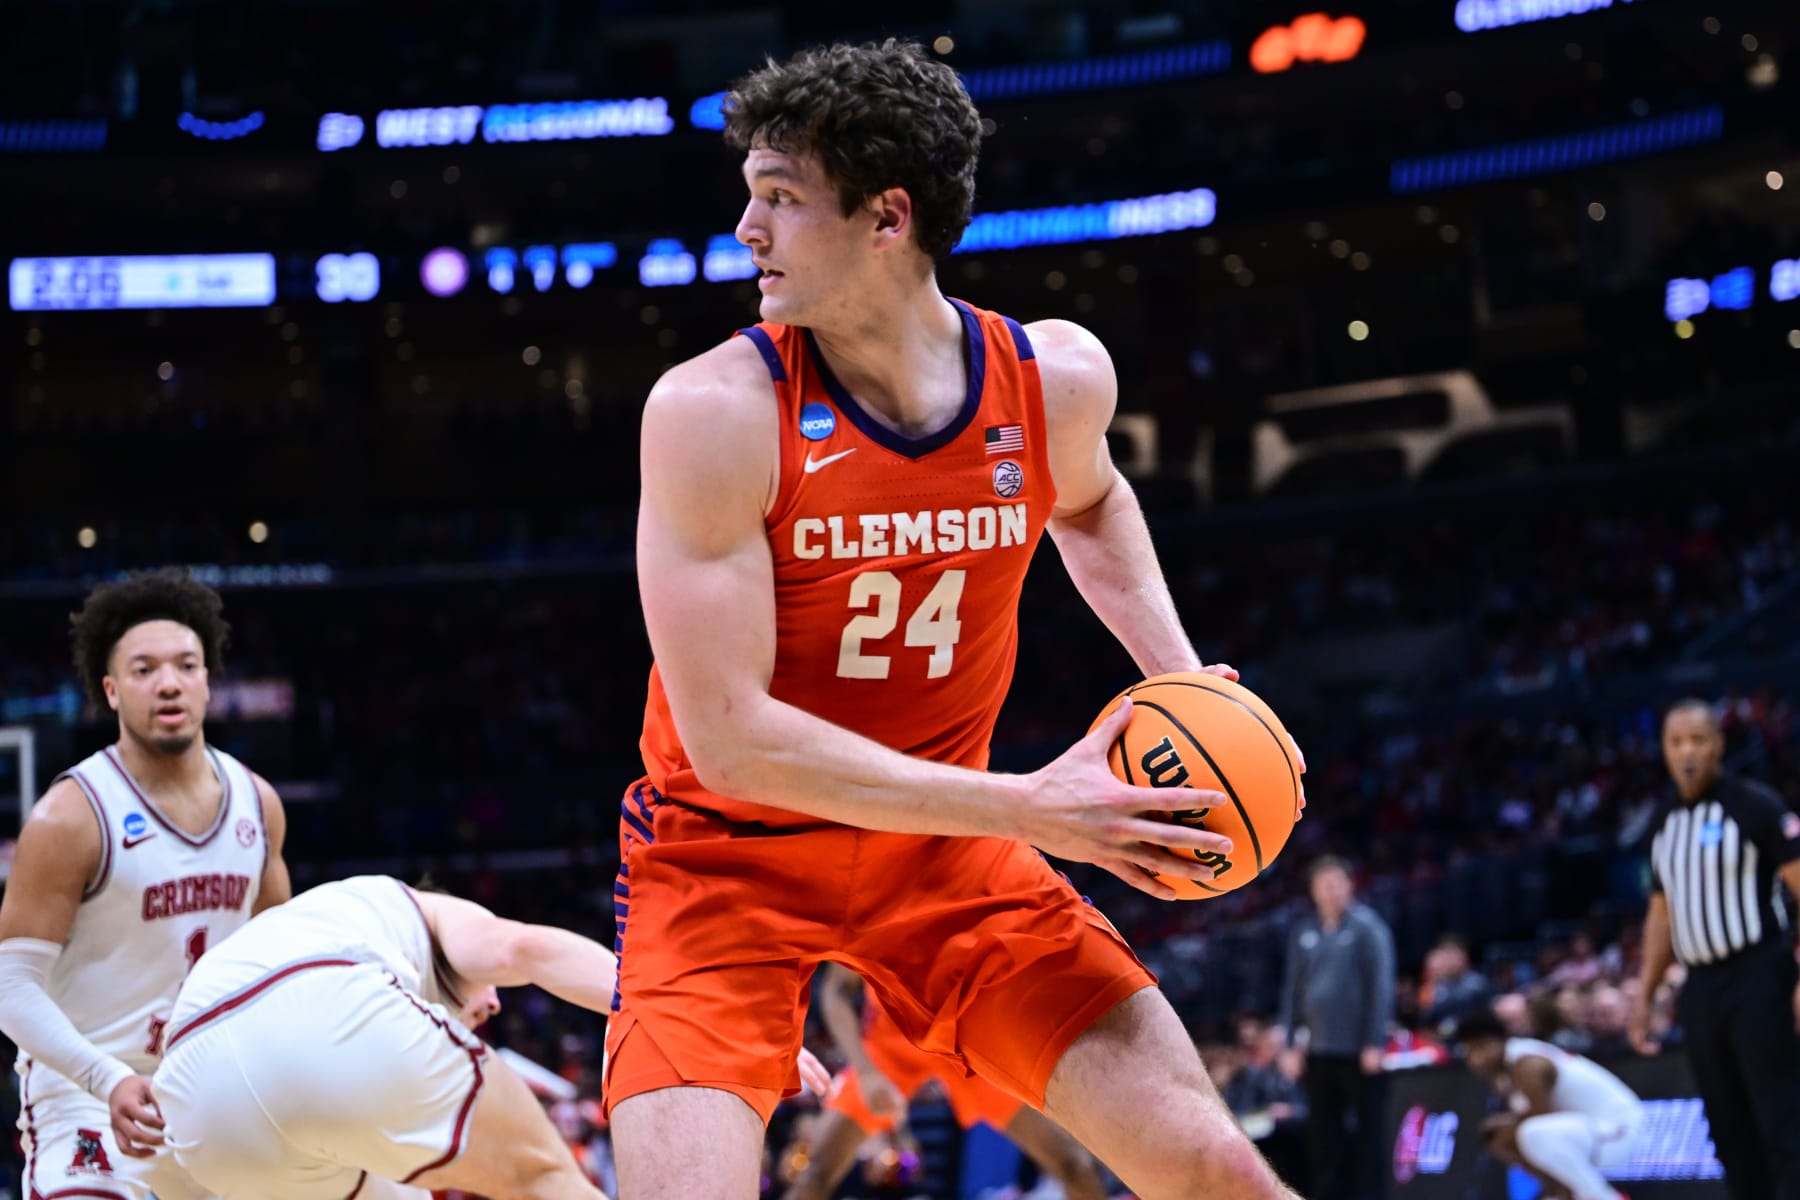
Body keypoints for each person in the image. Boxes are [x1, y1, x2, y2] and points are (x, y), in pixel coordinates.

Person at [610, 38, 1303, 1200]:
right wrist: (1032, 806)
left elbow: (1092, 502)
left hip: (946, 856)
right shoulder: (710, 412)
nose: (746, 231)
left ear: (888, 218)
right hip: (724, 861)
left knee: (1218, 1169)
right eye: (749, 195)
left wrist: (1189, 682)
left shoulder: (1053, 383)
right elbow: (732, 738)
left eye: (779, 199)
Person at [153, 874, 828, 1200]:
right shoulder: (423, 911)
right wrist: (711, 1022)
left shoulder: (324, 919)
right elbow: (527, 949)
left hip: (196, 1108)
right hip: (313, 1006)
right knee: (542, 1176)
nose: (493, 1008)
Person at [0, 568, 293, 1200]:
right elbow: (8, 986)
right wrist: (107, 1080)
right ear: (110, 690)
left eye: (186, 665)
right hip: (86, 1094)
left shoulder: (256, 804)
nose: (168, 683)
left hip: (211, 1092)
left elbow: (281, 968)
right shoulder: (72, 816)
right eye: (144, 669)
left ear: (208, 682)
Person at [1629, 697, 1800, 1200]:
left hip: (1759, 975)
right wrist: (1645, 994)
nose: (1687, 752)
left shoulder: (1756, 806)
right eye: (1676, 741)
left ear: (1719, 746)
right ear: (1662, 749)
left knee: (1781, 1117)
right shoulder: (1661, 823)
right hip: (1700, 987)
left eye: (1698, 740)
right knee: (1726, 1128)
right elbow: (1661, 915)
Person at [782, 964, 1105, 1200]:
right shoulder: (863, 890)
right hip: (888, 1047)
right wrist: (865, 1072)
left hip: (964, 1041)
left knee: (1071, 1162)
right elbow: (836, 990)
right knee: (814, 1172)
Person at [1278, 855, 1394, 1200]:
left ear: (1350, 885)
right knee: (1324, 1137)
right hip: (1318, 1052)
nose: (1331, 890)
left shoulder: (1368, 928)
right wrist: (1289, 1044)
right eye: (1323, 884)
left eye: (1337, 882)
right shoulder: (1305, 932)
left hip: (1358, 1051)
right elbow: (1293, 991)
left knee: (1367, 1134)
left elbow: (1381, 987)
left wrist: (1374, 1042)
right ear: (1313, 891)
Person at [1454, 1011, 1642, 1200]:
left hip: (1618, 1130)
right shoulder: (1501, 1077)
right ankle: (1560, 1191)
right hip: (1588, 1131)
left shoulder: (1526, 1064)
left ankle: (1598, 1195)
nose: (1472, 1061)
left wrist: (1505, 1125)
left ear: (1488, 1043)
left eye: (1474, 1051)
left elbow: (1542, 1117)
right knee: (1501, 1139)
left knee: (1533, 1133)